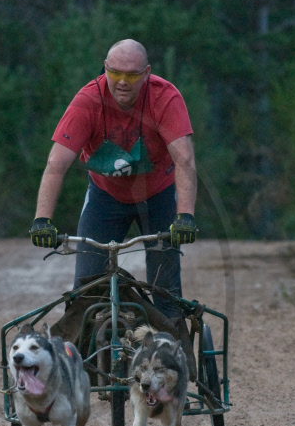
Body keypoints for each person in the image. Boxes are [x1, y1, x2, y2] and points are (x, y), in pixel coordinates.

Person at [29, 39, 197, 319]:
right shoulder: (88, 101)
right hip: (105, 197)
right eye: (115, 72)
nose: (122, 82)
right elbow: (56, 163)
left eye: (131, 75)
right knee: (86, 292)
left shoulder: (164, 97)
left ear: (146, 73)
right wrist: (42, 220)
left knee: (165, 290)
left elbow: (185, 159)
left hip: (158, 196)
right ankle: (85, 359)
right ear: (105, 68)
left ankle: (173, 356)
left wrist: (186, 216)